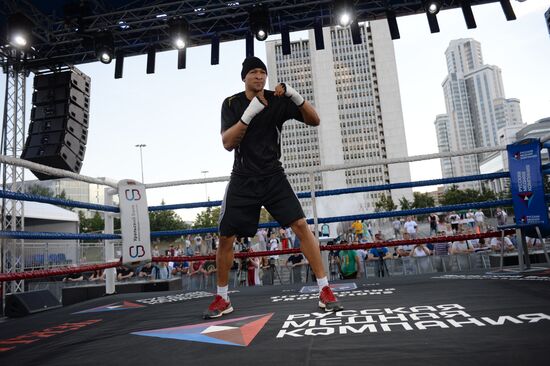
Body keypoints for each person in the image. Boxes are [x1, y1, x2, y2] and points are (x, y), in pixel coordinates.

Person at [204, 56, 342, 319]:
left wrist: (294, 95)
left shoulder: (278, 100)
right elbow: (227, 143)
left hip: (273, 175)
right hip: (243, 177)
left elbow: (315, 120)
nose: (259, 76)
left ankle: (325, 290)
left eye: (262, 72)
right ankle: (222, 297)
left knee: (301, 226)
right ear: (244, 77)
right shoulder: (231, 103)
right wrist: (250, 113)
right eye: (254, 72)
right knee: (225, 237)